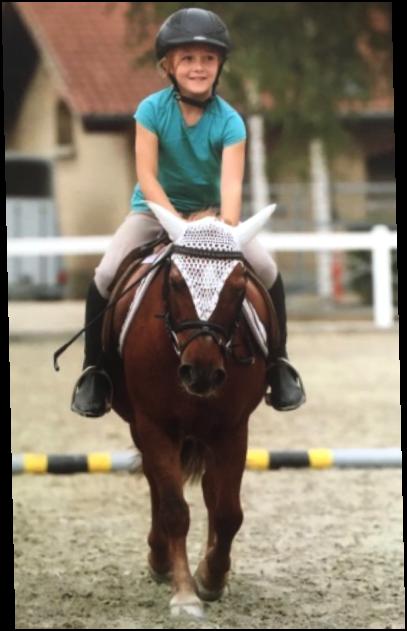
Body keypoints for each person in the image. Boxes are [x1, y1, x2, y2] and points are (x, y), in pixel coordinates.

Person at [71, 7, 305, 418]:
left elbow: (232, 185)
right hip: (152, 212)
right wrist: (174, 222)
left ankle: (279, 364)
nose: (198, 67)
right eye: (188, 59)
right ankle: (95, 371)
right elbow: (146, 174)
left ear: (219, 66)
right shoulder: (150, 111)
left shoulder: (230, 122)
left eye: (208, 59)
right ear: (168, 65)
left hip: (212, 218)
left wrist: (224, 226)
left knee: (266, 269)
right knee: (106, 274)